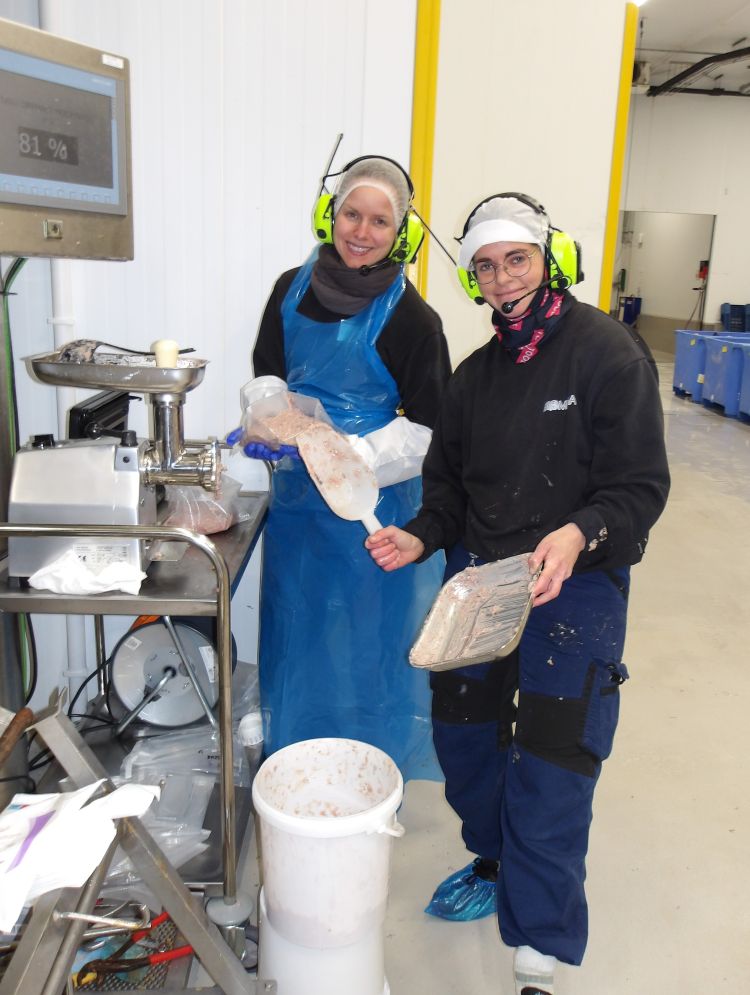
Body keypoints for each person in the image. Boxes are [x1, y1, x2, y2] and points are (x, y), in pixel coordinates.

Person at [365, 193, 670, 995]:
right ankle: (497, 858)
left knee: (552, 761)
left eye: (517, 260)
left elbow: (640, 487)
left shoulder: (610, 356)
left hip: (577, 580)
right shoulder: (474, 378)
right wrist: (422, 535)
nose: (503, 279)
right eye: (486, 267)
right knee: (462, 738)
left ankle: (540, 943)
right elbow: (448, 490)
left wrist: (579, 531)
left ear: (549, 259)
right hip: (483, 575)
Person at [244, 155, 451, 780]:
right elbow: (268, 373)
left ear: (400, 232)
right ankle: (298, 772)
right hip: (297, 509)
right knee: (297, 633)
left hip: (374, 513)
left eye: (380, 221)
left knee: (368, 644)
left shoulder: (413, 318)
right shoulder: (291, 288)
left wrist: (347, 458)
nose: (361, 232)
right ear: (329, 216)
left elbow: (433, 429)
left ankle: (368, 775)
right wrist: (270, 421)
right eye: (351, 215)